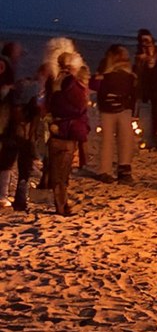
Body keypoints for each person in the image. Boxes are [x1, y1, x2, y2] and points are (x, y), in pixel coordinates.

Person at [47, 54, 90, 216]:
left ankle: (62, 203)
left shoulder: (54, 80)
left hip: (55, 129)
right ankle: (61, 206)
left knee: (58, 171)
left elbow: (48, 103)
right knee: (62, 173)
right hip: (67, 131)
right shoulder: (72, 84)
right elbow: (79, 107)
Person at [91, 45, 137, 184]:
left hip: (118, 107)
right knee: (112, 140)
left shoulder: (127, 73)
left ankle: (118, 170)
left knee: (121, 139)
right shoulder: (109, 70)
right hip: (113, 108)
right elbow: (95, 85)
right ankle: (110, 171)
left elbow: (133, 92)